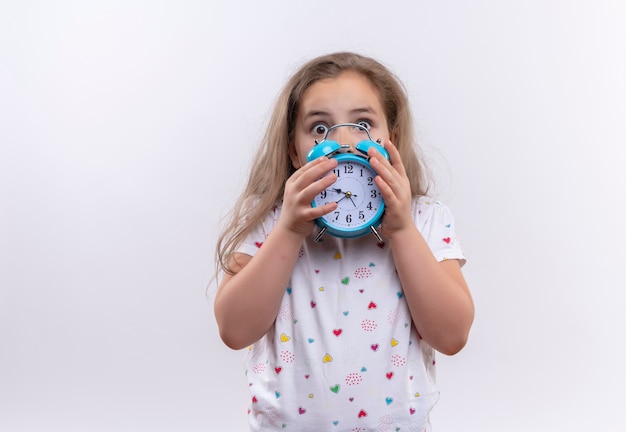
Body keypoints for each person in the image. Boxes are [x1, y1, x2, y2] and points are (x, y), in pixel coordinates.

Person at [214, 52, 474, 432]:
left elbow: (452, 335)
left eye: (363, 124)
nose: (342, 141)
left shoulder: (424, 219)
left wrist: (401, 230)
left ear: (391, 141)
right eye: (320, 129)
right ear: (294, 151)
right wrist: (288, 229)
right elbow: (234, 330)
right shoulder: (269, 218)